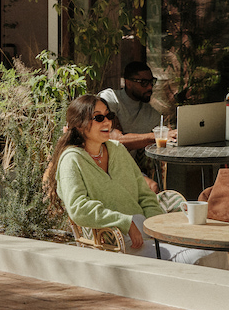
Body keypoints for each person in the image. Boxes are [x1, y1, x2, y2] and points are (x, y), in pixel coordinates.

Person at [45, 94, 208, 264]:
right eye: (99, 118)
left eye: (109, 116)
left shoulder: (117, 149)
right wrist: (125, 223)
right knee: (197, 257)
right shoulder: (71, 159)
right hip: (113, 241)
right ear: (79, 125)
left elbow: (145, 195)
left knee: (211, 252)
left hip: (145, 231)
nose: (107, 122)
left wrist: (158, 228)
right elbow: (79, 208)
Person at [98, 61, 169, 151]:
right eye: (144, 82)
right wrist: (158, 136)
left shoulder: (151, 114)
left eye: (151, 82)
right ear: (128, 83)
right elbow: (115, 139)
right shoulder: (111, 98)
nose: (150, 87)